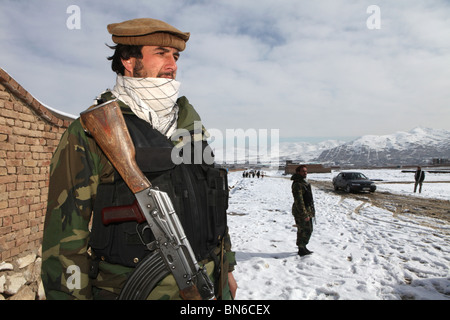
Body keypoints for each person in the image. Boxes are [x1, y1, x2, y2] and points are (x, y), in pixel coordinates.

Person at [41, 18, 237, 300]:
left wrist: (226, 267)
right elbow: (64, 239)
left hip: (207, 283)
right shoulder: (92, 131)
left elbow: (213, 205)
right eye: (161, 53)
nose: (172, 64)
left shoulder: (191, 126)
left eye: (176, 56)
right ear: (128, 60)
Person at [291, 165, 315, 256]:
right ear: (298, 172)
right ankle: (301, 249)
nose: (305, 173)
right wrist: (304, 214)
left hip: (307, 209)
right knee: (303, 230)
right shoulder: (297, 184)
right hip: (300, 211)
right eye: (303, 171)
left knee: (308, 229)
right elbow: (299, 201)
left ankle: (303, 246)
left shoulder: (303, 182)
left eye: (306, 171)